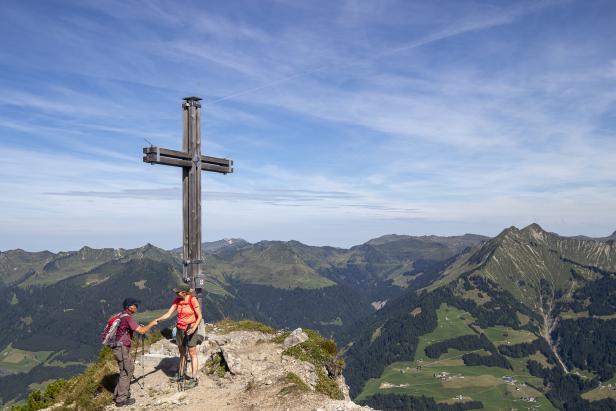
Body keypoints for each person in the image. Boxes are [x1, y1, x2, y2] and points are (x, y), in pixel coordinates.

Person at [112, 298, 158, 407]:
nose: (136, 307)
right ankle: (121, 399)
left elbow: (127, 329)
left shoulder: (121, 315)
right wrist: (151, 323)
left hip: (118, 347)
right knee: (127, 371)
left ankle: (118, 394)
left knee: (126, 369)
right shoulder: (127, 317)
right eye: (135, 305)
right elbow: (141, 331)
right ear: (129, 307)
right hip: (121, 347)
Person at [155, 284, 203, 388]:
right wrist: (158, 319)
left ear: (184, 292)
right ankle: (181, 374)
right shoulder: (177, 300)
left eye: (178, 292)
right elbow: (168, 314)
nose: (176, 293)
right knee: (182, 353)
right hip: (180, 329)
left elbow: (199, 316)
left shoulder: (192, 300)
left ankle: (194, 378)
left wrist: (194, 328)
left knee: (192, 353)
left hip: (191, 329)